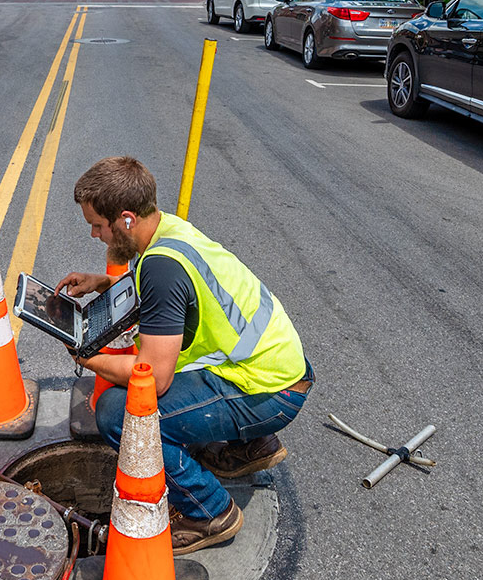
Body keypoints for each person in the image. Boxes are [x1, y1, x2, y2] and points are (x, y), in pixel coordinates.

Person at [59, 157, 312, 554]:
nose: (94, 235)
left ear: (125, 219)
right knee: (164, 388)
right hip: (279, 368)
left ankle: (208, 512)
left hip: (270, 391)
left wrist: (86, 357)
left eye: (97, 225)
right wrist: (105, 282)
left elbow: (153, 377)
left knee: (117, 413)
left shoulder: (161, 267)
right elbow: (162, 298)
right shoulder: (165, 230)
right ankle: (250, 446)